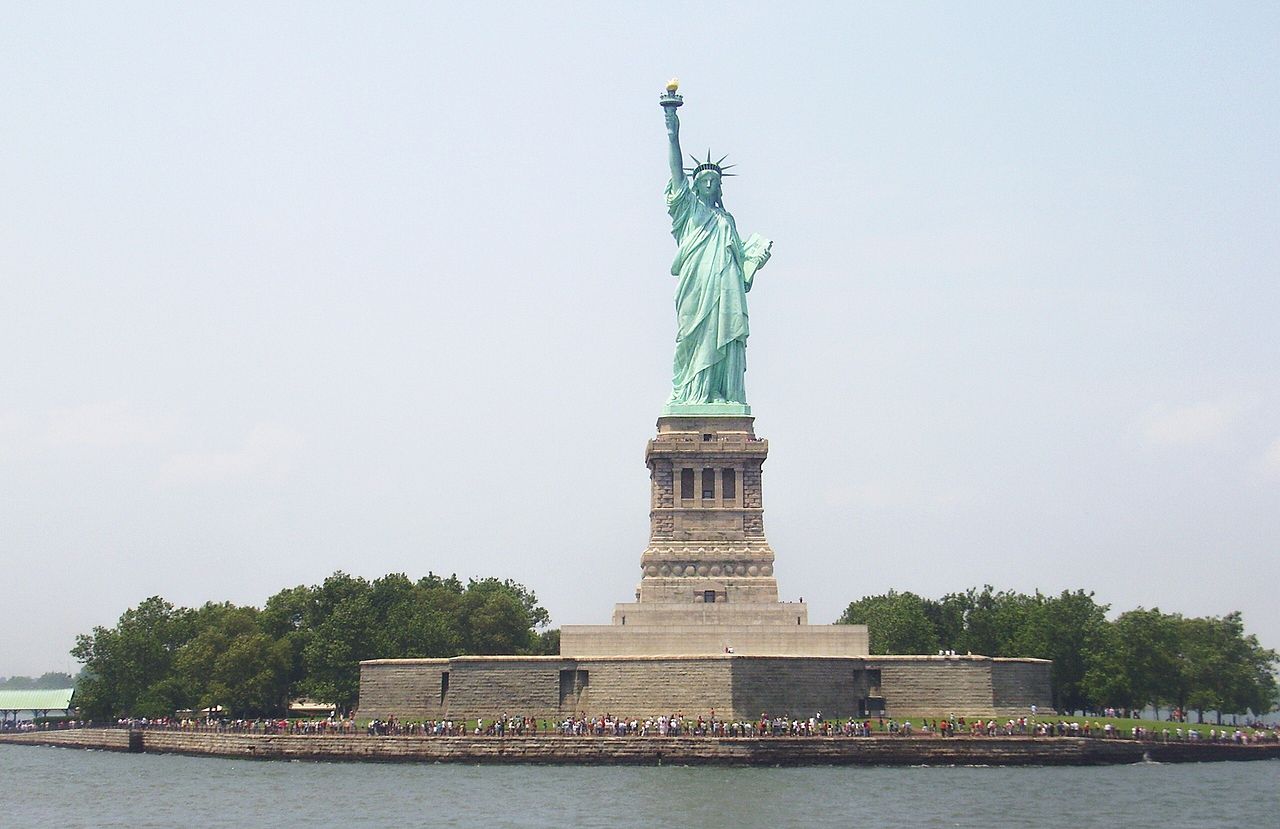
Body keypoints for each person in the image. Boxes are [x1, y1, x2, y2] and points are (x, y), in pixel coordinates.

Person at [662, 101, 772, 407]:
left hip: (727, 292)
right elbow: (675, 172)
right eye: (704, 181)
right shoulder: (688, 212)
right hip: (697, 288)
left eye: (715, 182)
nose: (709, 184)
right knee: (693, 337)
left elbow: (741, 268)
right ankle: (694, 393)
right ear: (695, 187)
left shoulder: (728, 221)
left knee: (723, 335)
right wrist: (672, 129)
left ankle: (721, 393)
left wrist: (754, 261)